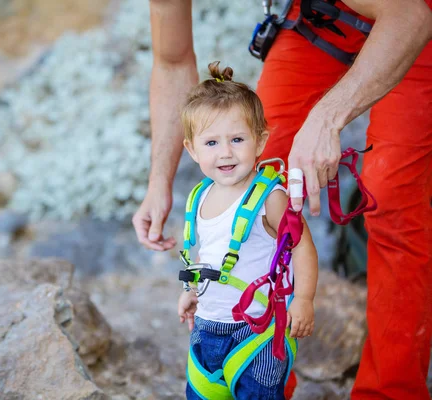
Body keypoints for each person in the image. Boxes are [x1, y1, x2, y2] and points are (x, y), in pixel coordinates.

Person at [132, 0, 432, 398]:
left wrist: (328, 119)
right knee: (257, 166)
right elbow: (172, 63)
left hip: (409, 18)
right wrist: (158, 182)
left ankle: (390, 392)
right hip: (319, 16)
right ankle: (261, 374)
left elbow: (409, 17)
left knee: (390, 196)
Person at [176, 61, 318, 399]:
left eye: (237, 139)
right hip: (207, 330)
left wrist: (304, 299)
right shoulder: (199, 196)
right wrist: (193, 291)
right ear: (192, 149)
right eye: (211, 143)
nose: (225, 152)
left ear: (260, 141)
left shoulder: (270, 197)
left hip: (258, 333)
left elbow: (301, 247)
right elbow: (208, 251)